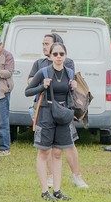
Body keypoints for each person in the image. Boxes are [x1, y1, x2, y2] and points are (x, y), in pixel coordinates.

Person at [29, 33, 88, 190]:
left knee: (69, 144)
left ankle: (76, 175)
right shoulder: (39, 64)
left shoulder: (67, 64)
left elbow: (69, 83)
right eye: (43, 44)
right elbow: (30, 82)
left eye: (47, 44)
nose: (44, 47)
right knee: (46, 148)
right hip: (43, 107)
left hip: (63, 111)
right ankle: (49, 177)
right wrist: (41, 83)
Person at [25, 41, 77, 201]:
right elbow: (27, 91)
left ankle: (57, 190)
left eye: (61, 54)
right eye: (55, 54)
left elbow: (71, 95)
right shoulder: (44, 72)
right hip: (46, 114)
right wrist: (42, 86)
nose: (58, 57)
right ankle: (44, 191)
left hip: (62, 115)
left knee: (57, 153)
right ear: (50, 56)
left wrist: (74, 87)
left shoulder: (70, 72)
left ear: (65, 55)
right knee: (44, 152)